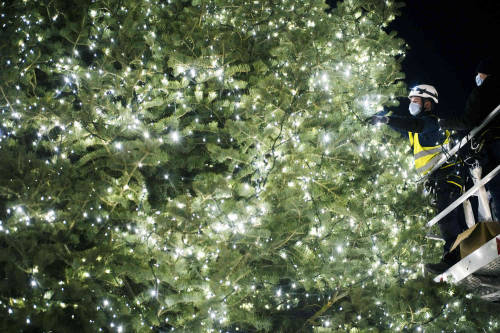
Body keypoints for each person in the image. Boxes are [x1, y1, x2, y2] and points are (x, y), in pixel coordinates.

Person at [367, 84, 468, 274]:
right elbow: (404, 128)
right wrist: (381, 118)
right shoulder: (417, 128)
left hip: (447, 174)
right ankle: (454, 255)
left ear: (428, 104)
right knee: (445, 219)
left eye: (415, 101)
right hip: (437, 179)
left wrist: (387, 119)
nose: (411, 105)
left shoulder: (431, 122)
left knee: (448, 219)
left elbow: (413, 125)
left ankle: (453, 257)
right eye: (411, 101)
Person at [439, 57, 500, 221]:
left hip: (494, 143)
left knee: (497, 187)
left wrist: (445, 123)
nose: (477, 78)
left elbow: (468, 120)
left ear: (485, 73)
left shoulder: (481, 91)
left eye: (479, 74)